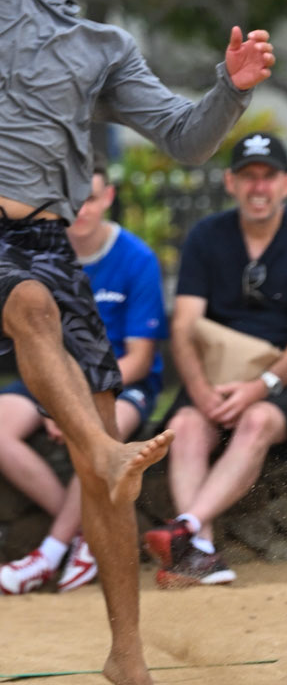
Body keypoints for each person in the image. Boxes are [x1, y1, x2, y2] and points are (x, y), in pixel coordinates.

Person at [0, 0, 273, 685]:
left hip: (41, 235)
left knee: (101, 465)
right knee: (32, 303)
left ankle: (126, 655)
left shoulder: (105, 46)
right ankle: (108, 446)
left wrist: (227, 93)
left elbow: (187, 139)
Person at [144, 132, 287, 588]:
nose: (258, 187)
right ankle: (200, 552)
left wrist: (260, 386)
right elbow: (184, 327)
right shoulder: (207, 237)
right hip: (215, 375)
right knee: (187, 425)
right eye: (248, 176)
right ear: (230, 183)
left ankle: (185, 527)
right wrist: (201, 391)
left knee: (255, 420)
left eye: (268, 176)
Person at [0, 160, 166, 596]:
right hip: (49, 379)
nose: (81, 207)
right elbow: (28, 340)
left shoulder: (136, 257)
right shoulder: (35, 251)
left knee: (101, 437)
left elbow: (141, 358)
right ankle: (85, 534)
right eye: (73, 196)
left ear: (108, 197)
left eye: (90, 197)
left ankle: (50, 552)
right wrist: (58, 399)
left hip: (120, 382)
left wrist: (73, 406)